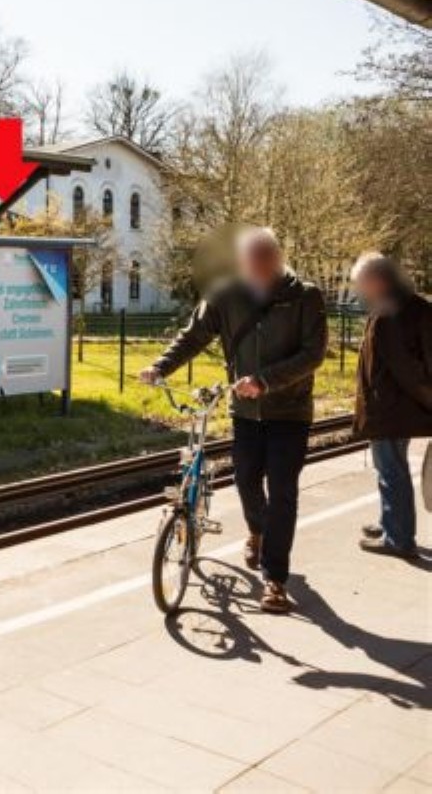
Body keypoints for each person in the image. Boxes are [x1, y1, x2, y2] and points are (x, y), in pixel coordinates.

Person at [140, 228, 326, 613]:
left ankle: (275, 578)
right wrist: (161, 366)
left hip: (289, 411)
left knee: (283, 491)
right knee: (245, 480)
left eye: (267, 261)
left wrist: (265, 381)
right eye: (253, 262)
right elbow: (193, 336)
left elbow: (313, 354)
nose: (260, 269)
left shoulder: (304, 296)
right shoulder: (226, 295)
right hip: (244, 412)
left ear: (278, 258)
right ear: (241, 262)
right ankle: (258, 531)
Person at [349, 252, 431, 559]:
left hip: (390, 409)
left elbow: (405, 369)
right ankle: (391, 523)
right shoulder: (414, 304)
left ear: (378, 280)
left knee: (391, 471)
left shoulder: (388, 314)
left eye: (361, 283)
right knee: (393, 468)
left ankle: (398, 538)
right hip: (401, 408)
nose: (360, 290)